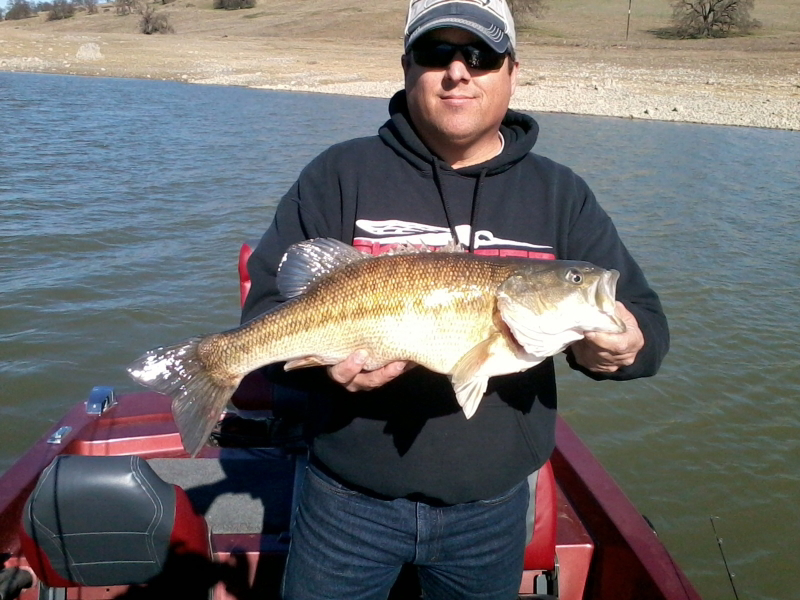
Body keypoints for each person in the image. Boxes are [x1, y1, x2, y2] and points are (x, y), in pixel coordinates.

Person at [241, 0, 669, 598]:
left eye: (481, 55)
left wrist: (621, 350)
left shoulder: (560, 194)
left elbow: (647, 326)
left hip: (490, 513)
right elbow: (265, 315)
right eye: (436, 52)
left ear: (512, 72)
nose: (459, 71)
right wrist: (329, 377)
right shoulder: (339, 174)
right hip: (345, 502)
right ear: (407, 67)